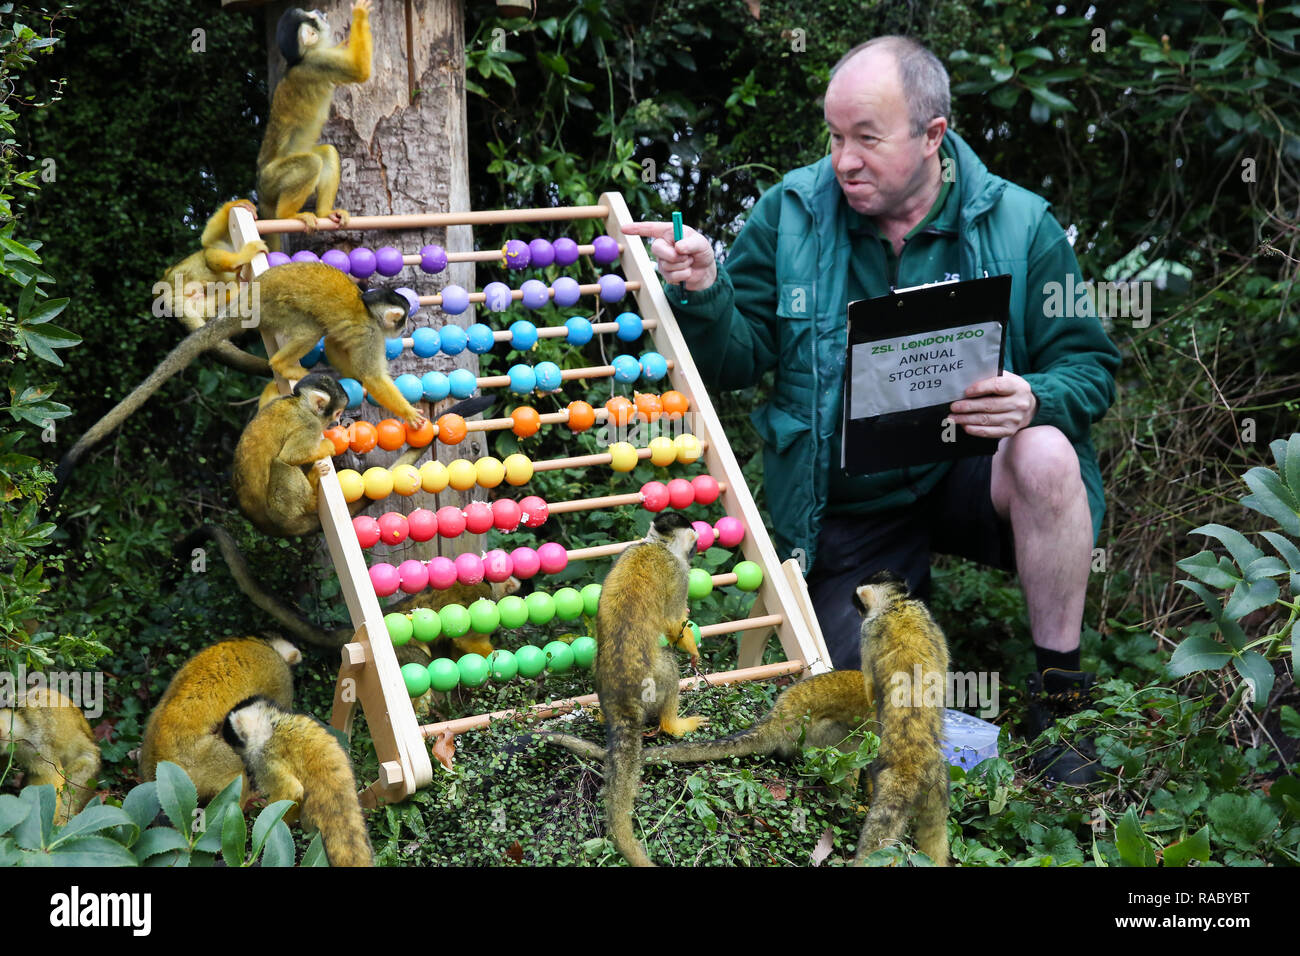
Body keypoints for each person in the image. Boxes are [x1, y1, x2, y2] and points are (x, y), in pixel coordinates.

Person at [623, 36, 1120, 785]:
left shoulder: (1021, 226)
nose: (843, 159)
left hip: (970, 473)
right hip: (848, 504)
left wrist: (1035, 396)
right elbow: (735, 359)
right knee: (847, 717)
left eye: (866, 138)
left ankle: (1064, 700)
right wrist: (704, 292)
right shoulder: (792, 213)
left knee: (1048, 452)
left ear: (932, 136)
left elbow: (1091, 368)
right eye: (834, 136)